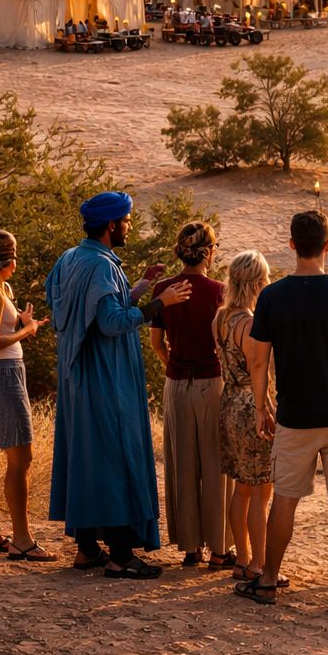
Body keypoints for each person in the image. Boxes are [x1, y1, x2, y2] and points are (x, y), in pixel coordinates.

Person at [47, 191, 192, 579]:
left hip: (77, 380)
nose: (129, 226)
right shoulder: (100, 266)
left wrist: (143, 286)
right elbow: (111, 323)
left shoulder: (71, 259)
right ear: (112, 225)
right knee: (114, 458)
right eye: (126, 221)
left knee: (87, 458)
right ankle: (121, 557)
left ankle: (87, 550)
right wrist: (162, 303)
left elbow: (95, 308)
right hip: (105, 379)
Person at [238, 210, 328, 614]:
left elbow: (259, 362)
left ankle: (266, 581)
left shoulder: (271, 297)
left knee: (284, 499)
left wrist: (263, 407)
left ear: (293, 244)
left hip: (294, 415)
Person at [149, 222, 232, 569]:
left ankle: (189, 549)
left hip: (177, 383)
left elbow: (156, 343)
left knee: (182, 464)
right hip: (212, 381)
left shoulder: (162, 288)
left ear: (179, 251)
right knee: (215, 466)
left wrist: (174, 364)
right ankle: (219, 549)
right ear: (209, 252)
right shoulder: (220, 291)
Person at [0, 230, 55, 563]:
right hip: (0, 374)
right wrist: (26, 330)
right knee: (21, 459)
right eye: (14, 255)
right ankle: (22, 539)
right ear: (5, 259)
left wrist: (23, 320)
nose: (16, 261)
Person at [215, 250, 276, 585]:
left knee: (242, 487)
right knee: (261, 490)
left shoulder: (221, 317)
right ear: (256, 282)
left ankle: (242, 558)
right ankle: (260, 564)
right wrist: (265, 408)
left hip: (227, 403)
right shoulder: (251, 323)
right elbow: (258, 368)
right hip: (250, 405)